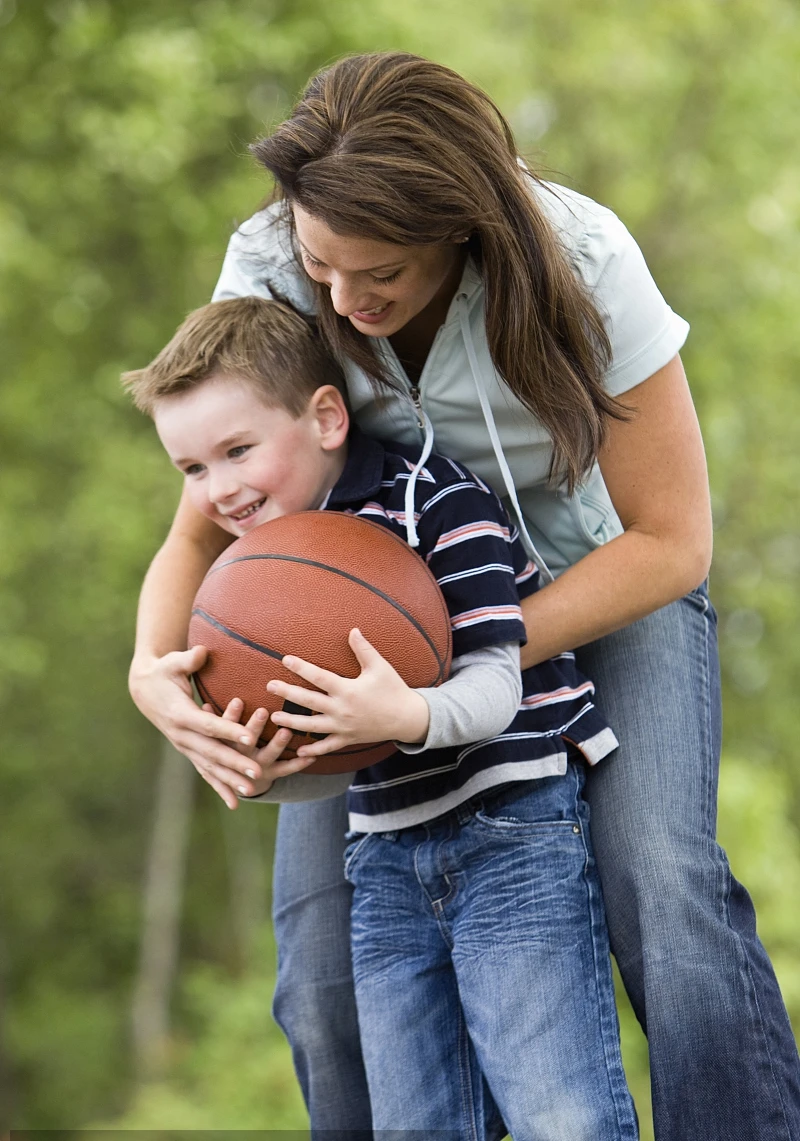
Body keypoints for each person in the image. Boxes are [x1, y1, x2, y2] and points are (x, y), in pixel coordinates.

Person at [127, 52, 800, 1141]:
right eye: (321, 266)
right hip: (372, 609)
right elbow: (208, 508)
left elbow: (672, 542)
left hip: (598, 584)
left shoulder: (583, 261)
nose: (343, 302)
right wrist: (154, 671)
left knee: (663, 895)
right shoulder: (268, 261)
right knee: (320, 973)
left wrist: (461, 657)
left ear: (460, 226)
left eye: (378, 275)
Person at [124, 294, 637, 1138]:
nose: (218, 490)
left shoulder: (436, 502)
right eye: (192, 470)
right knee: (417, 1122)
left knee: (559, 1110)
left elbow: (497, 685)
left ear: (327, 416)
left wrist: (401, 711)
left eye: (237, 451)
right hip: (386, 855)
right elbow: (315, 751)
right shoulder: (252, 577)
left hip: (514, 828)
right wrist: (256, 765)